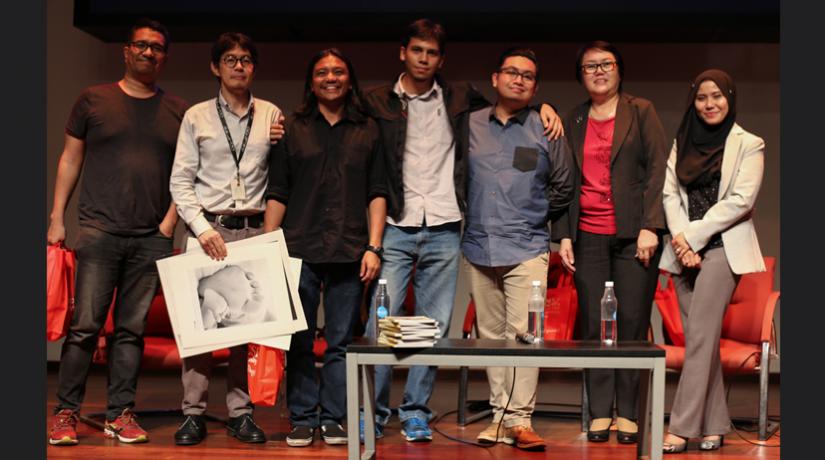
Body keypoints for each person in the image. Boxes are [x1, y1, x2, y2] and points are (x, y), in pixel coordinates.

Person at [360, 18, 563, 443]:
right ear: (403, 52)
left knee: (434, 328)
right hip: (399, 224)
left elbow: (562, 185)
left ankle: (417, 411)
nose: (424, 59)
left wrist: (547, 108)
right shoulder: (377, 102)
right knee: (381, 327)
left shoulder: (457, 100)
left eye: (432, 53)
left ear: (441, 60)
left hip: (448, 228)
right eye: (417, 50)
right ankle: (372, 413)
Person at [46, 18, 187, 446]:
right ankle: (66, 413)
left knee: (132, 330)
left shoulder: (178, 111)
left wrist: (168, 224)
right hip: (99, 231)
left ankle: (120, 413)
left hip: (150, 236)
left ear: (164, 57)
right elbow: (70, 159)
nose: (148, 53)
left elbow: (189, 174)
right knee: (85, 327)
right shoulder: (93, 100)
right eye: (141, 45)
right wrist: (57, 215)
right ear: (126, 51)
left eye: (157, 48)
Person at [264, 48, 387, 447]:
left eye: (338, 71)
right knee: (299, 339)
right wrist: (269, 246)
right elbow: (278, 190)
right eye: (322, 72)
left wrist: (374, 246)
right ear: (311, 80)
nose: (330, 78)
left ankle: (334, 416)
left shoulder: (368, 128)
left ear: (349, 79)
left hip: (351, 250)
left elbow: (377, 191)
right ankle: (301, 416)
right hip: (298, 247)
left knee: (340, 341)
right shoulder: (292, 126)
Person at [552, 40, 668, 444]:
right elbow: (565, 181)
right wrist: (563, 234)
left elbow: (657, 170)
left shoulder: (641, 111)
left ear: (619, 70)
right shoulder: (576, 118)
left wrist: (652, 225)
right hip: (588, 235)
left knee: (632, 323)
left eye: (606, 64)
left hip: (634, 235)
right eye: (590, 66)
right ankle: (600, 412)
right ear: (581, 75)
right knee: (596, 325)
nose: (599, 71)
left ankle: (630, 413)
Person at [169, 32, 282, 446]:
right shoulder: (197, 116)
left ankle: (241, 414)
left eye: (247, 59)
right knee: (199, 328)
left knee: (246, 327)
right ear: (215, 67)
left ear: (254, 68)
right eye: (231, 59)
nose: (239, 66)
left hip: (254, 228)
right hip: (207, 229)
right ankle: (193, 414)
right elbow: (180, 181)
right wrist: (202, 229)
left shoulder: (271, 115)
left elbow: (280, 177)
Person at [462, 48, 573, 451]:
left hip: (526, 245)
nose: (519, 80)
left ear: (536, 87)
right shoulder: (470, 123)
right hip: (479, 244)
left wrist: (533, 215)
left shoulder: (546, 128)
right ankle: (498, 418)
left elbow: (563, 183)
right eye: (512, 72)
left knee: (526, 335)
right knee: (490, 336)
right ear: (495, 79)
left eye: (528, 76)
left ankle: (520, 420)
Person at [660, 69, 765, 454]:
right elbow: (670, 195)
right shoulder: (682, 141)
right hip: (684, 253)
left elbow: (740, 201)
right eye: (702, 97)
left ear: (730, 98)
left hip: (723, 249)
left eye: (717, 96)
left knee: (700, 339)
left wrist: (694, 236)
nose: (710, 104)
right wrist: (681, 241)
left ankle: (681, 426)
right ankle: (715, 424)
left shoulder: (749, 144)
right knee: (700, 341)